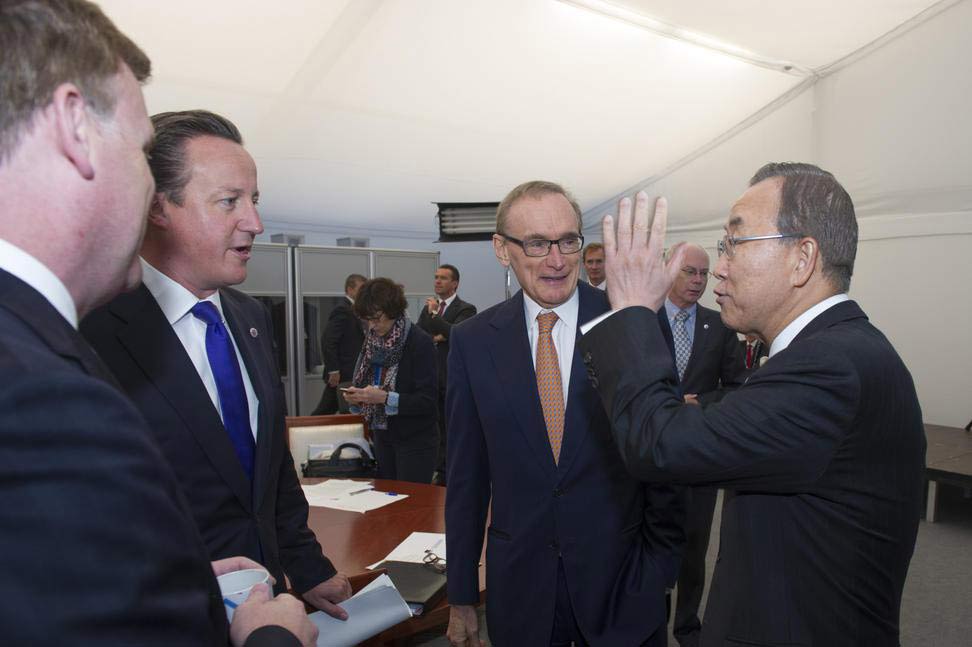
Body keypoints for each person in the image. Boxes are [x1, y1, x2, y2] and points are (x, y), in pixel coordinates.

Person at [0, 1, 314, 644]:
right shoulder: (42, 382)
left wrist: (192, 582)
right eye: (139, 152)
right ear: (73, 127)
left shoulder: (35, 345)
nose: (254, 222)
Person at [579, 163, 925, 646]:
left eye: (734, 243)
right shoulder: (834, 351)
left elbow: (660, 445)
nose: (719, 268)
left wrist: (634, 312)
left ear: (802, 258)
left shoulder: (830, 366)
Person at [81, 109, 351, 620]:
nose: (255, 223)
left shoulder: (250, 319)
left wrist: (306, 566)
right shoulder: (91, 330)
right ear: (157, 207)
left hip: (268, 606)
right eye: (230, 201)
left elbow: (273, 471)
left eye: (254, 200)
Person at [445, 181, 684, 647]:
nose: (557, 260)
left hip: (623, 590)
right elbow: (465, 478)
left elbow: (665, 455)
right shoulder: (472, 341)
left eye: (568, 241)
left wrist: (659, 571)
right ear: (502, 250)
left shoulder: (632, 318)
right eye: (537, 243)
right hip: (521, 593)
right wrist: (462, 594)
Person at [661, 242, 743, 647]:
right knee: (651, 546)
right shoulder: (641, 320)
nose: (697, 281)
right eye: (688, 271)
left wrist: (700, 404)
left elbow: (737, 387)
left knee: (694, 550)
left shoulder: (721, 325)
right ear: (668, 270)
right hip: (651, 456)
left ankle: (687, 627)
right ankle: (650, 624)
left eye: (703, 273)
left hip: (698, 458)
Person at [343, 278, 437, 483]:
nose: (372, 325)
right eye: (367, 320)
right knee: (386, 498)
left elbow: (428, 401)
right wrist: (360, 397)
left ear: (393, 310)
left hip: (414, 441)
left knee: (411, 501)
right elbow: (370, 385)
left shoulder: (419, 342)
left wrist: (385, 398)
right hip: (382, 435)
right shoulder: (373, 341)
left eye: (377, 319)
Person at [416, 264, 477, 485]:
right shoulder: (428, 308)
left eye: (443, 278)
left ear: (455, 284)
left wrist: (435, 316)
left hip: (451, 378)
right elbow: (420, 336)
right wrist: (438, 336)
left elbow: (457, 334)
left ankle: (448, 473)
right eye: (436, 277)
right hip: (429, 377)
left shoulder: (466, 309)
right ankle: (436, 468)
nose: (437, 281)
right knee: (433, 427)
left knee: (451, 427)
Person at [313, 273, 367, 414]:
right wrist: (334, 370)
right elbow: (328, 340)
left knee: (329, 410)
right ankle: (308, 426)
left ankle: (311, 425)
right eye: (361, 289)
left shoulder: (356, 309)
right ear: (350, 289)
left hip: (350, 372)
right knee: (330, 411)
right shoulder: (342, 309)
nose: (364, 293)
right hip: (342, 373)